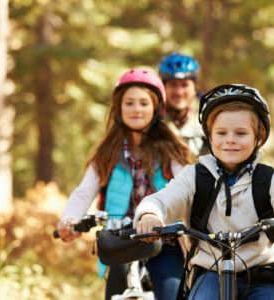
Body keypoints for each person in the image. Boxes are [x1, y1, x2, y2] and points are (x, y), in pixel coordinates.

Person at [134, 84, 274, 300]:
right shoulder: (194, 176)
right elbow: (163, 200)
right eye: (221, 133)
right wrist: (150, 214)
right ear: (210, 137)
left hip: (264, 271)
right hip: (211, 271)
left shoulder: (270, 179)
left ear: (258, 137)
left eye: (241, 133)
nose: (230, 139)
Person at [56, 68, 193, 300]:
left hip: (164, 241)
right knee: (117, 294)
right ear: (119, 108)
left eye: (143, 103)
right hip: (121, 241)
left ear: (156, 108)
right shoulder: (107, 152)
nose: (136, 109)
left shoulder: (170, 149)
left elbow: (188, 186)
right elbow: (84, 191)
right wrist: (69, 219)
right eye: (129, 103)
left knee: (173, 292)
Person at [158, 52, 208, 156]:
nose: (179, 92)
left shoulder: (209, 118)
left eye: (184, 85)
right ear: (163, 87)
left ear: (195, 87)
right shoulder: (152, 119)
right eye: (173, 85)